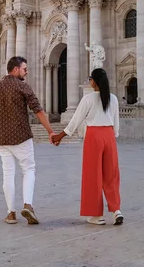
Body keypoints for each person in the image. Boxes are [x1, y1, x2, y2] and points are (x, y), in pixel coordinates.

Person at [0, 56, 57, 225]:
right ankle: (28, 205)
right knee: (29, 169)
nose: (26, 72)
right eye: (24, 69)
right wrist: (51, 131)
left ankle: (11, 213)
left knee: (8, 175)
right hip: (22, 137)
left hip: (3, 139)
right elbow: (38, 110)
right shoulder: (22, 86)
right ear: (16, 69)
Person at [52, 68, 123, 226]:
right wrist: (112, 136)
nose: (89, 81)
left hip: (94, 136)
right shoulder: (113, 98)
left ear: (94, 81)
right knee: (111, 174)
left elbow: (76, 120)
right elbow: (116, 126)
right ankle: (116, 210)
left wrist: (60, 136)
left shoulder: (88, 99)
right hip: (109, 136)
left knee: (93, 175)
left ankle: (96, 215)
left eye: (90, 78)